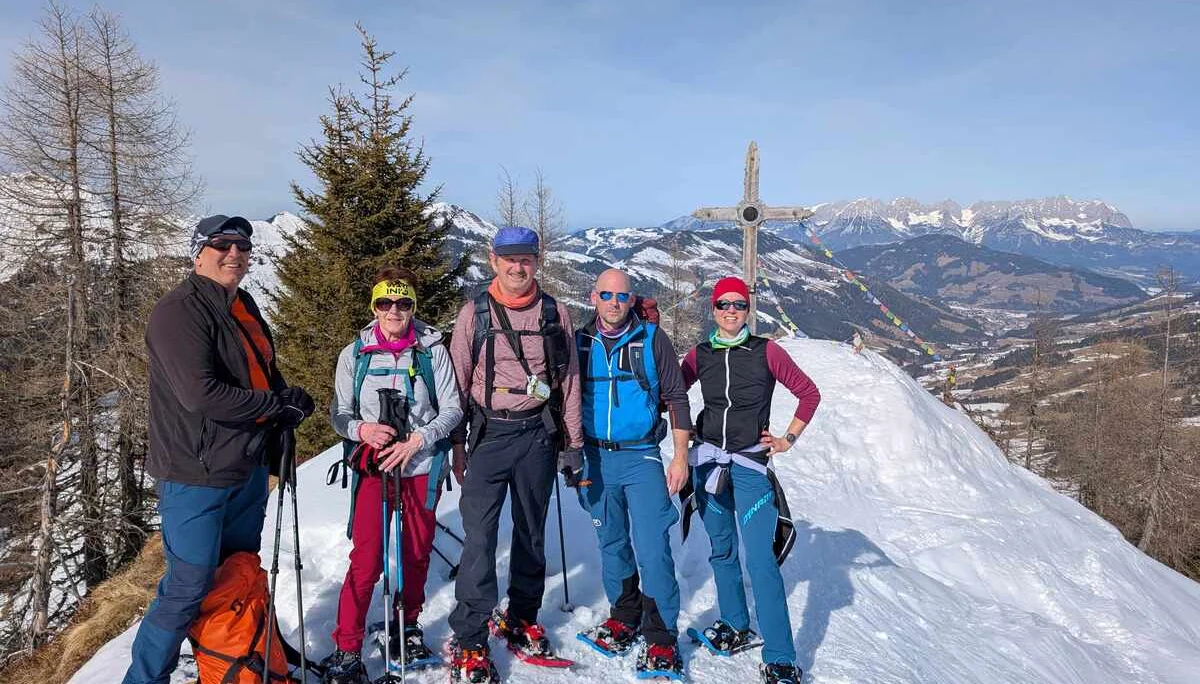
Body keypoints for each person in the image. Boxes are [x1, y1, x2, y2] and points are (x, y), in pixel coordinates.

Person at [123, 215, 315, 684]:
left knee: (238, 573)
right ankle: (144, 678)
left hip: (243, 465)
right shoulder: (179, 311)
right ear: (198, 253)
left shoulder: (241, 303)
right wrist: (274, 404)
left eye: (243, 247)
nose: (235, 254)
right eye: (222, 245)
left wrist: (287, 399)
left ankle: (237, 663)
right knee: (187, 586)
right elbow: (200, 394)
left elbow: (260, 372)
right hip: (195, 471)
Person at [446, 226, 583, 683]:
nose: (517, 266)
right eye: (509, 258)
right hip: (487, 435)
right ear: (493, 259)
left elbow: (568, 382)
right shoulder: (474, 314)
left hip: (537, 436)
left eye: (525, 258)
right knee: (480, 539)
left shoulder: (554, 313)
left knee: (531, 533)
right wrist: (457, 446)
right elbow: (457, 384)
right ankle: (469, 636)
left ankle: (521, 617)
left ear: (537, 261)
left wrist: (574, 443)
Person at [319, 267, 463, 684]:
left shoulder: (433, 349)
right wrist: (363, 430)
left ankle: (408, 625)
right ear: (374, 306)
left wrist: (418, 439)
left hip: (419, 467)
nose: (394, 311)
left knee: (417, 554)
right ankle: (347, 646)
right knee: (366, 561)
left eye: (403, 303)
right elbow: (339, 414)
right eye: (385, 302)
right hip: (374, 468)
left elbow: (452, 409)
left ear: (412, 306)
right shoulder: (355, 355)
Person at [680, 276, 821, 684]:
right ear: (713, 309)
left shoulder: (766, 351)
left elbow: (808, 393)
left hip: (751, 467)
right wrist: (683, 435)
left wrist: (786, 439)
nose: (730, 311)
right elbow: (672, 392)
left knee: (761, 562)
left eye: (738, 305)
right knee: (721, 549)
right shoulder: (699, 354)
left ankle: (780, 658)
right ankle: (735, 623)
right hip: (708, 464)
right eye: (723, 304)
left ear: (748, 310)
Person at [572, 269, 692, 679]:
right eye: (605, 294)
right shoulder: (580, 342)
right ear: (593, 297)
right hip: (595, 458)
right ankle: (624, 615)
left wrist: (679, 457)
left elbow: (676, 397)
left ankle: (660, 633)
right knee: (611, 541)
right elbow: (565, 397)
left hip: (641, 457)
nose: (613, 303)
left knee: (653, 545)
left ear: (631, 299)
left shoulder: (652, 340)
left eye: (621, 296)